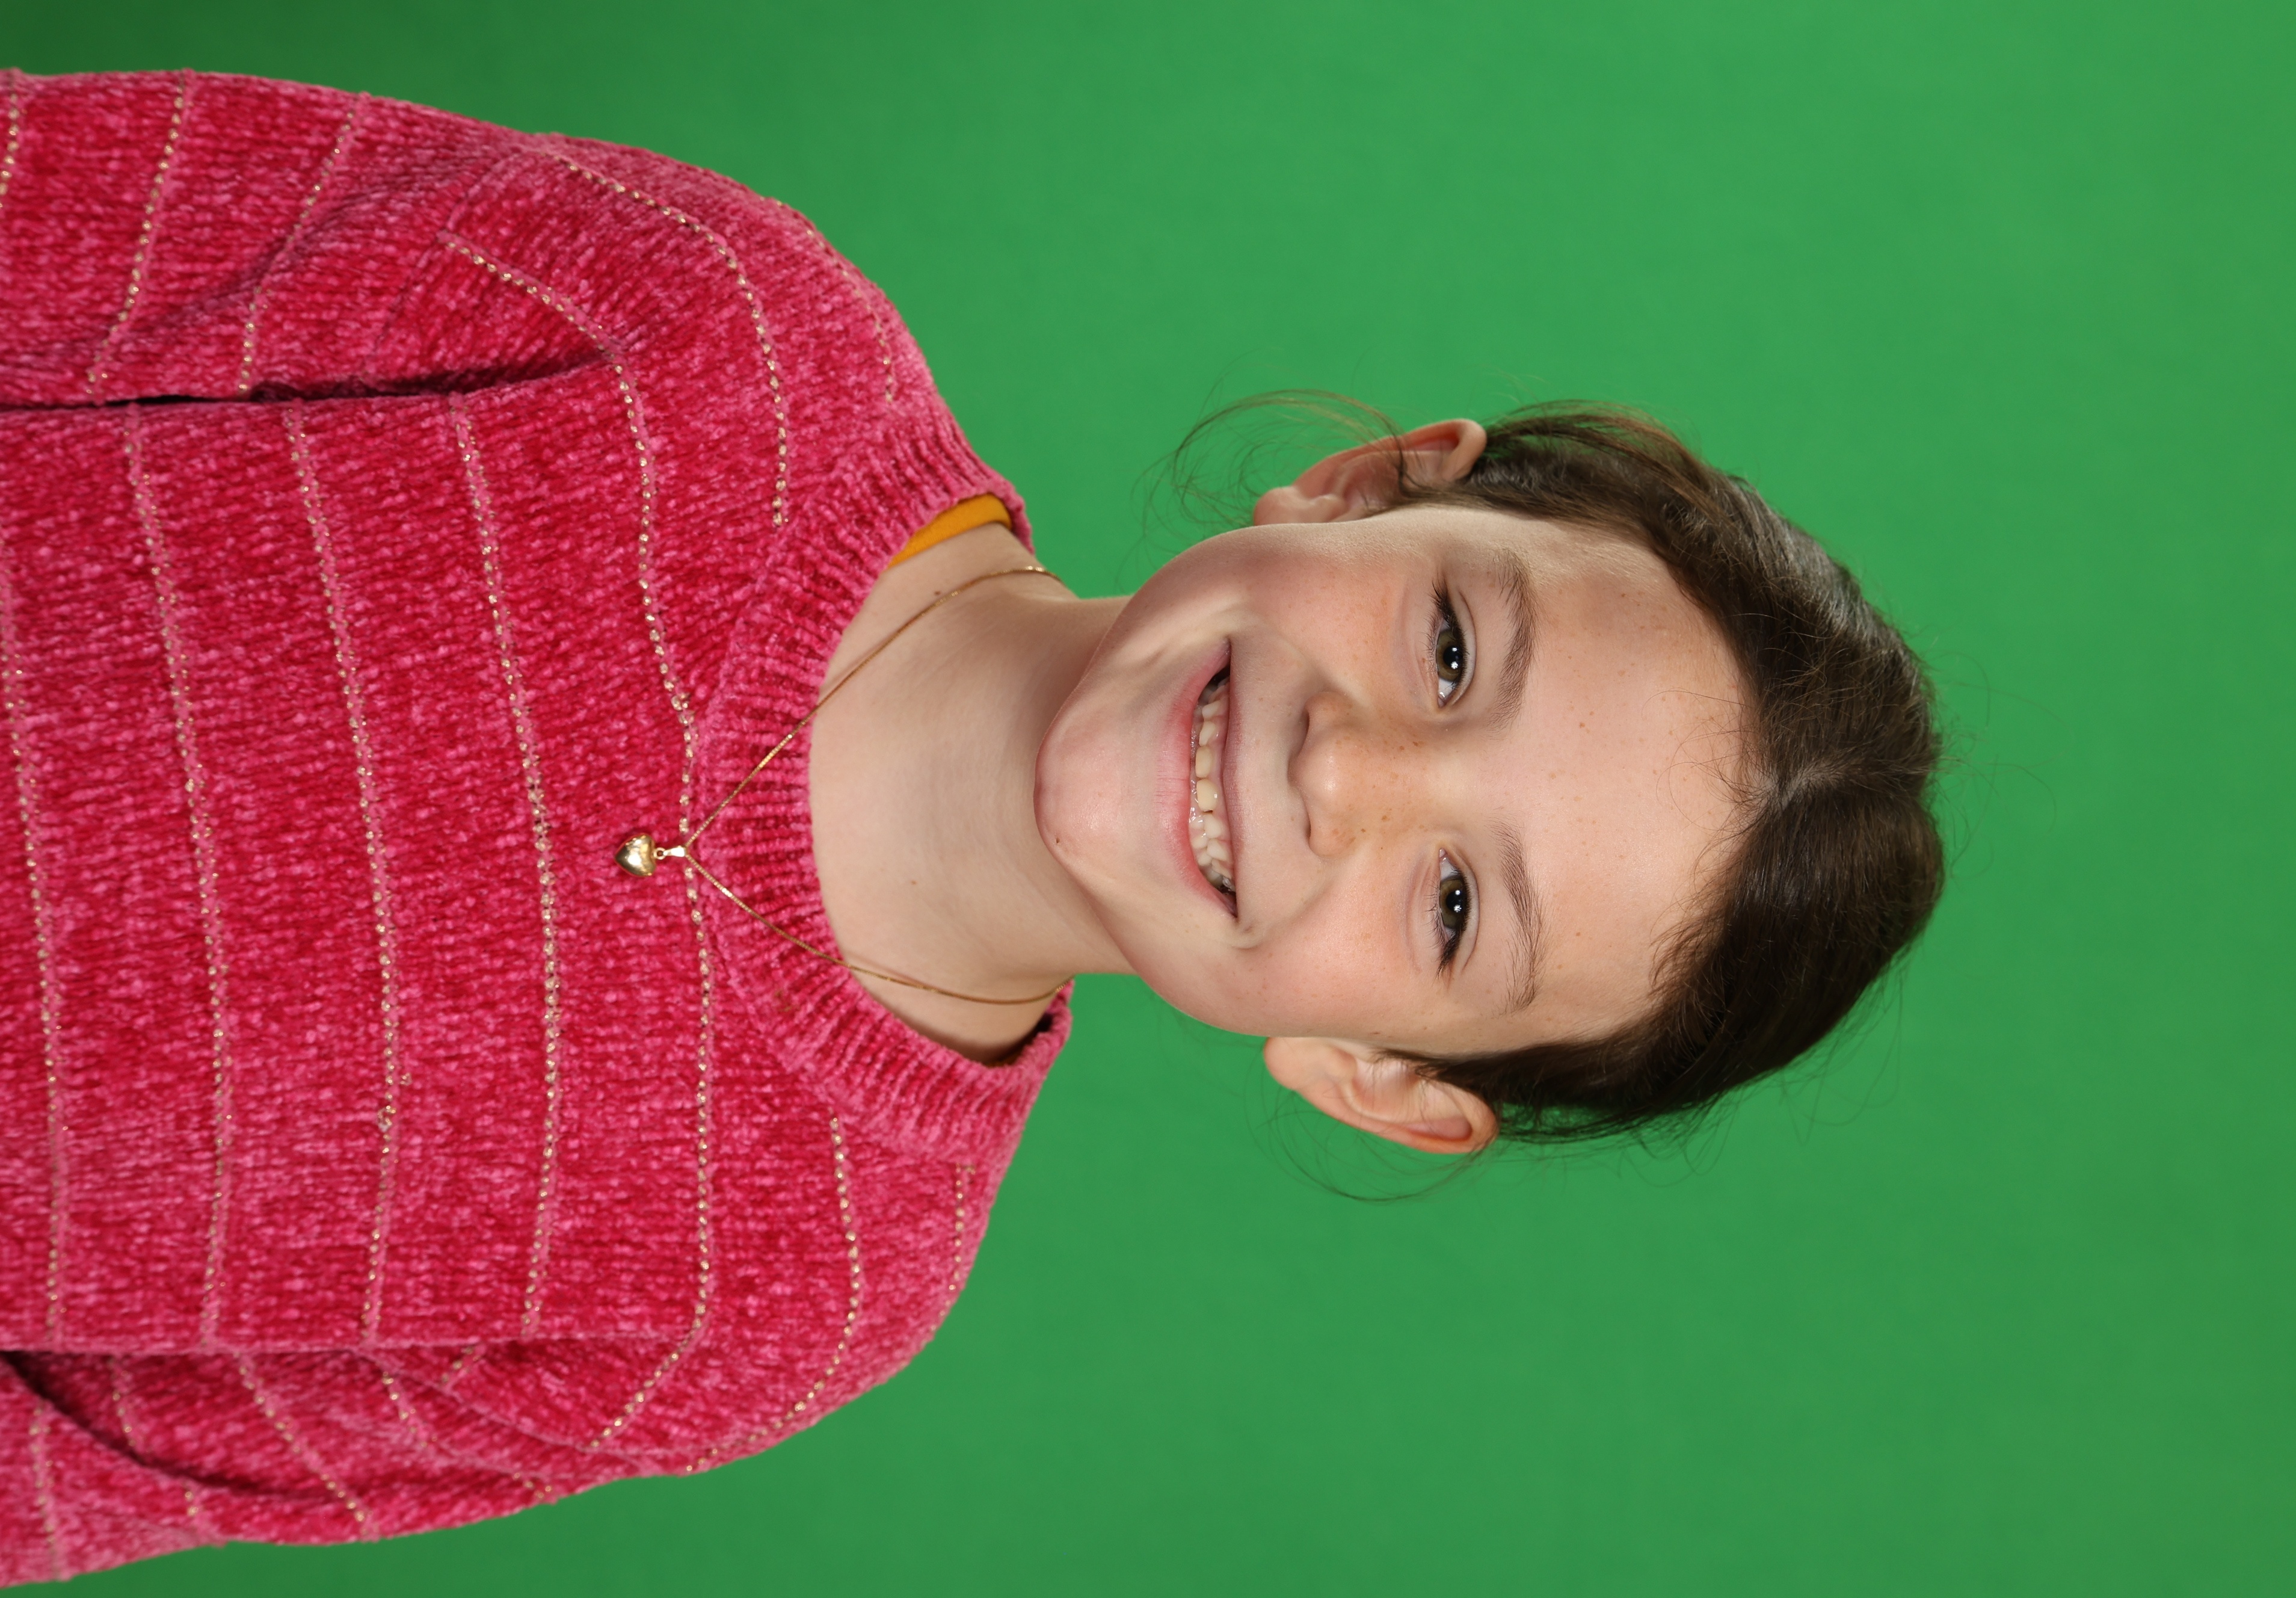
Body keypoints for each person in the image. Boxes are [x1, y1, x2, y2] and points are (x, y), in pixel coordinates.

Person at [0, 70, 1943, 1582]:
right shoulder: (707, 326)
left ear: (1380, 1075)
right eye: (1450, 649)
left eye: (1453, 907)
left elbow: (76, 1465)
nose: (1343, 775)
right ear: (1365, 486)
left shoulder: (788, 1301)